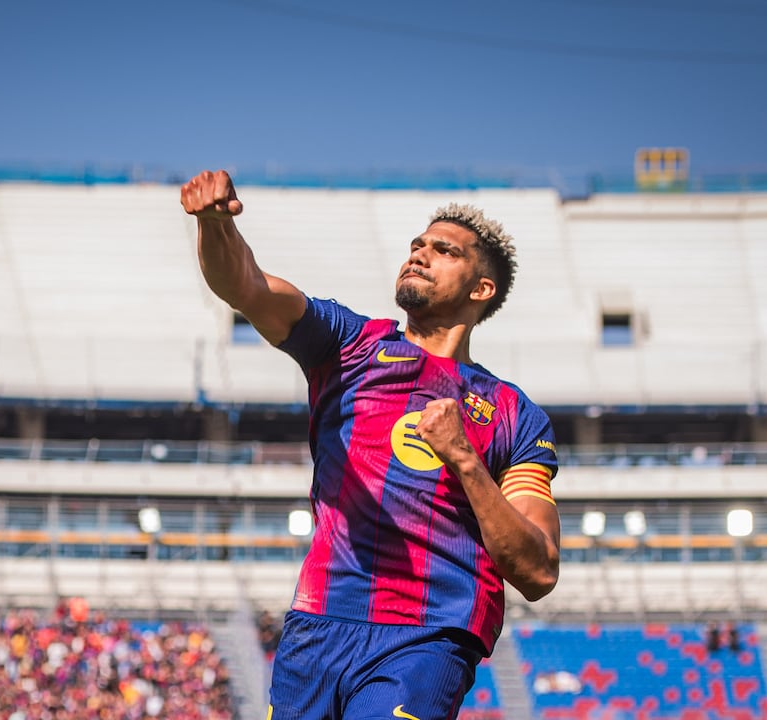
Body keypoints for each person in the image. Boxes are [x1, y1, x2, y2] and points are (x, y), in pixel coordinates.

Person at [181, 170, 561, 720]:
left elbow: (538, 571)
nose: (419, 255)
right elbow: (248, 286)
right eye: (417, 246)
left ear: (482, 289)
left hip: (428, 634)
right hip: (318, 623)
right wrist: (214, 225)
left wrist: (463, 459)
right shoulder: (350, 343)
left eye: (443, 251)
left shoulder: (513, 414)